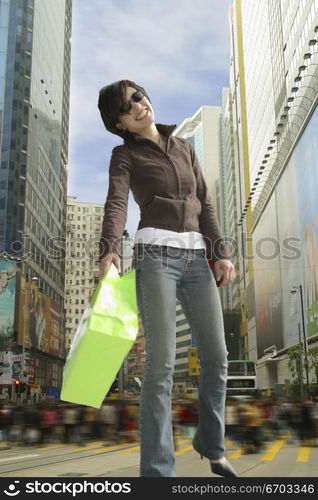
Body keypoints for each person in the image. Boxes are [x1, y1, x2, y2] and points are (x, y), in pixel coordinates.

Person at [97, 79, 237, 477]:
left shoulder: (185, 148)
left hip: (197, 260)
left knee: (218, 356)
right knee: (160, 365)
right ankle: (158, 475)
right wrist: (109, 248)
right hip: (155, 255)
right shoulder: (123, 155)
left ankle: (212, 446)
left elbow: (204, 204)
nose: (139, 106)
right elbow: (117, 201)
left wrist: (220, 254)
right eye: (127, 107)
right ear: (119, 122)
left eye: (138, 96)